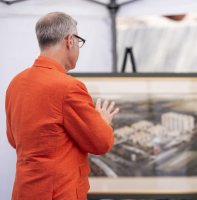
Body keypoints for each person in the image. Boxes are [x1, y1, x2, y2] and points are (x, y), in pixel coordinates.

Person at [5, 12, 119, 200]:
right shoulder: (68, 87)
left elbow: (13, 139)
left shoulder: (16, 83)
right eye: (79, 41)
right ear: (69, 40)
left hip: (24, 191)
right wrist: (102, 120)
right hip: (60, 193)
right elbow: (101, 142)